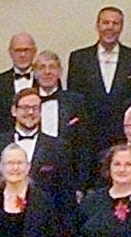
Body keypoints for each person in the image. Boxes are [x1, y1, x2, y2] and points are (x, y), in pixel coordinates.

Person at [0, 87, 71, 221]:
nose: (31, 112)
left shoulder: (59, 147)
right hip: (0, 222)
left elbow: (66, 195)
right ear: (14, 111)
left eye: (35, 108)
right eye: (25, 107)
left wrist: (66, 236)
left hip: (44, 225)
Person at [67, 6, 131, 147]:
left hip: (123, 136)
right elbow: (74, 99)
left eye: (115, 23)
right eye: (105, 22)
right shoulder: (79, 58)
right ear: (97, 25)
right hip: (88, 137)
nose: (110, 27)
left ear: (122, 27)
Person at [30, 50, 92, 185]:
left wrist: (81, 185)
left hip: (68, 175)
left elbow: (84, 144)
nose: (47, 72)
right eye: (42, 67)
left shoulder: (76, 102)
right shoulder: (27, 102)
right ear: (34, 73)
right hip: (34, 174)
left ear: (60, 72)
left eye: (52, 67)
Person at [0, 32, 41, 138]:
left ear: (34, 52)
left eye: (26, 50)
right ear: (10, 52)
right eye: (18, 50)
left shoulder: (44, 82)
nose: (22, 55)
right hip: (3, 146)